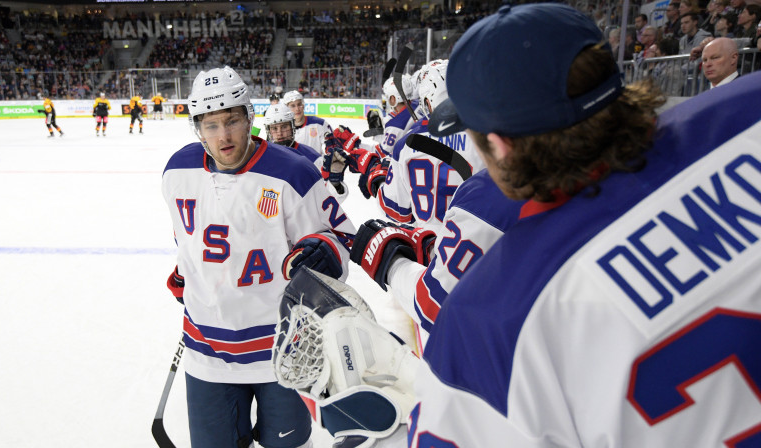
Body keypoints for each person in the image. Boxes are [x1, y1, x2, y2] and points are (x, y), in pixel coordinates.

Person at [278, 3, 761, 447]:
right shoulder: (747, 114)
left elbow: (440, 310)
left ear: (501, 145)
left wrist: (392, 264)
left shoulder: (492, 315)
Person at [161, 66, 355, 448]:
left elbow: (343, 238)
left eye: (232, 120)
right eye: (211, 125)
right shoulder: (176, 172)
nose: (224, 135)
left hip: (284, 348)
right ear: (197, 128)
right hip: (208, 351)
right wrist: (187, 274)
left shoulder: (294, 174)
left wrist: (325, 253)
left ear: (249, 117)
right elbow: (187, 239)